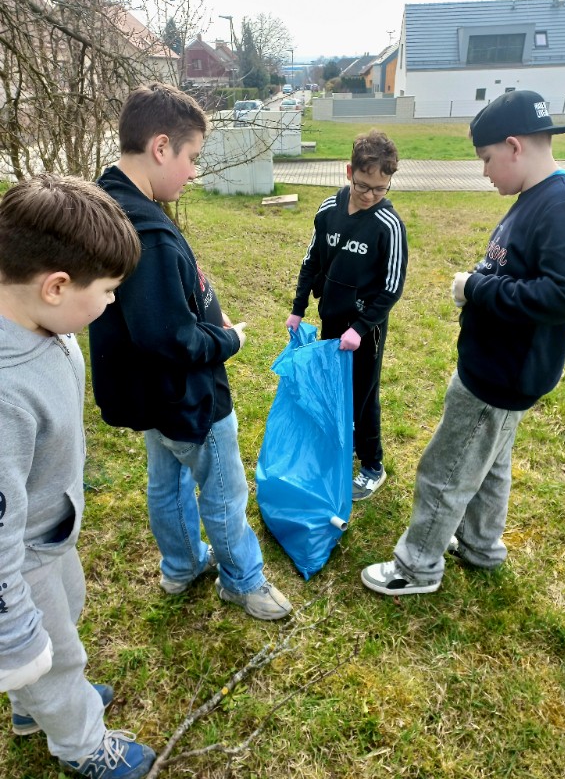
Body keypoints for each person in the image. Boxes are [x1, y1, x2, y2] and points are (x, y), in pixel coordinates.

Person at [361, 89, 565, 597]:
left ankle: (417, 565)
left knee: (445, 470)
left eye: (487, 160)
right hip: (497, 366)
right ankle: (480, 544)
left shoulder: (563, 207)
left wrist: (476, 287)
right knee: (490, 466)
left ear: (514, 146)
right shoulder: (534, 199)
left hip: (501, 372)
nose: (486, 173)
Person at [88, 82, 292, 621]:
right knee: (222, 489)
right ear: (161, 148)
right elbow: (167, 338)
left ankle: (181, 565)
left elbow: (154, 308)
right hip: (185, 395)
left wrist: (201, 307)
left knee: (166, 478)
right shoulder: (146, 230)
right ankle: (242, 580)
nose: (194, 171)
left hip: (153, 396)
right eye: (192, 157)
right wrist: (230, 338)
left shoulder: (114, 202)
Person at [0, 174, 155, 777]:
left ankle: (31, 708)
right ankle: (83, 744)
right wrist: (15, 640)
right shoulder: (6, 396)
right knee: (56, 658)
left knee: (73, 605)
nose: (113, 302)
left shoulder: (43, 323)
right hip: (22, 556)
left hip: (52, 530)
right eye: (110, 290)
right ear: (57, 285)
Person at [285, 129, 408, 501]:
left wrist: (360, 327)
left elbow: (391, 288)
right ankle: (342, 446)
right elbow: (311, 261)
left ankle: (373, 466)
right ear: (348, 171)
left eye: (380, 189)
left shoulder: (389, 226)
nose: (371, 195)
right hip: (330, 319)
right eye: (363, 185)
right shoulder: (328, 210)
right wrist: (297, 307)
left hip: (364, 332)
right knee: (333, 390)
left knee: (363, 396)